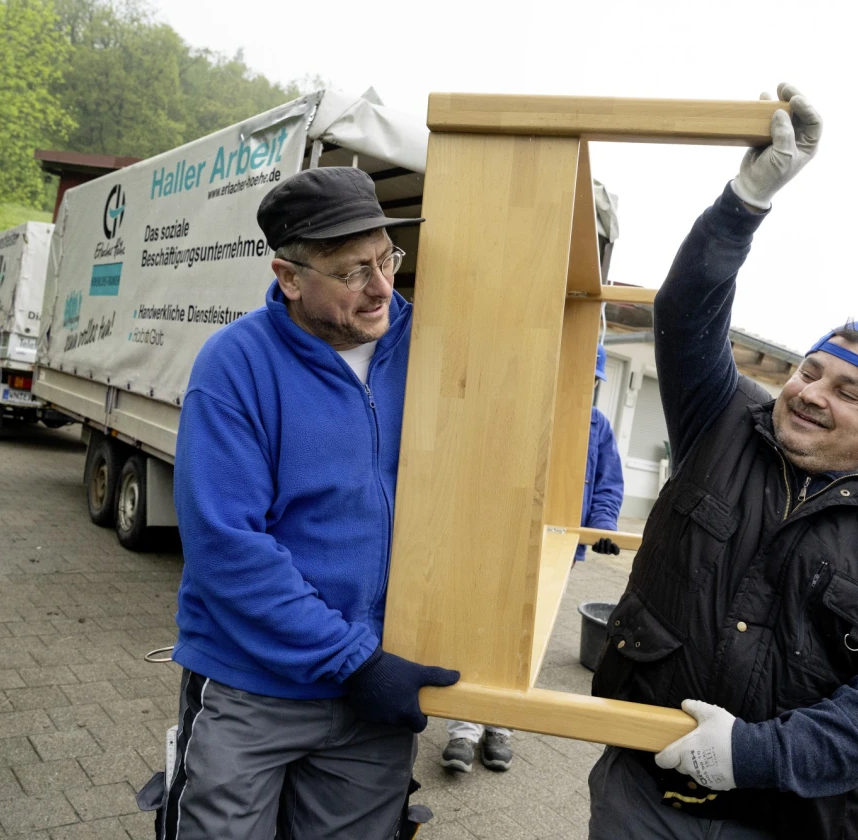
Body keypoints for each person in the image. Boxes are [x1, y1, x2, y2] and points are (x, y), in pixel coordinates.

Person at [587, 85, 858, 840]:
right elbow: (686, 311)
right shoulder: (721, 421)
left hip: (785, 822)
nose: (811, 394)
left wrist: (752, 755)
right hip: (642, 794)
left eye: (848, 393)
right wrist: (745, 201)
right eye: (810, 371)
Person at [163, 166, 460, 840]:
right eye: (354, 271)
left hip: (374, 695)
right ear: (289, 277)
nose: (382, 287)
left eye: (387, 258)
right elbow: (225, 546)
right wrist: (354, 661)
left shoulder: (432, 348)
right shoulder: (234, 365)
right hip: (252, 685)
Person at [442, 346, 626, 773]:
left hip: (556, 550)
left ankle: (501, 724)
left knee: (524, 637)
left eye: (591, 382)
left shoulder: (597, 427)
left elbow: (607, 486)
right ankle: (464, 728)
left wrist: (602, 528)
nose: (582, 388)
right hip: (502, 540)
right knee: (481, 629)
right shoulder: (522, 412)